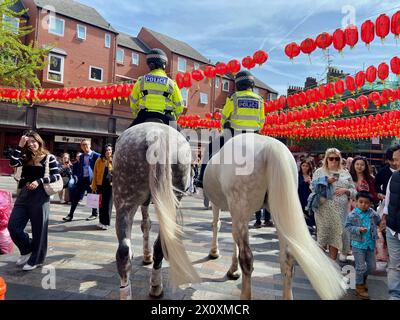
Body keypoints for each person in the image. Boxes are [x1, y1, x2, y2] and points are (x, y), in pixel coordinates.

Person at [194, 70, 265, 188]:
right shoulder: (260, 100)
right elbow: (262, 121)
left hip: (234, 133)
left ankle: (201, 179)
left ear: (238, 85)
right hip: (254, 135)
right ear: (252, 84)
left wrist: (224, 126)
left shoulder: (234, 98)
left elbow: (224, 117)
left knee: (210, 148)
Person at [8, 131, 61, 270]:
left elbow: (56, 176)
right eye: (28, 142)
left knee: (39, 229)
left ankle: (36, 259)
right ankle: (27, 249)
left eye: (33, 141)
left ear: (39, 141)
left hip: (41, 195)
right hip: (24, 194)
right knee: (13, 226)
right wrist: (19, 146)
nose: (31, 144)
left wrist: (40, 181)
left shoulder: (49, 158)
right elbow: (12, 162)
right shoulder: (25, 157)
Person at [310, 148, 356, 261]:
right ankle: (320, 265)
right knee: (323, 236)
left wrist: (346, 191)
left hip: (340, 211)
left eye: (337, 158)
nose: (334, 161)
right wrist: (326, 181)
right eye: (331, 158)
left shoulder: (345, 172)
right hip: (323, 210)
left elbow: (355, 192)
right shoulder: (319, 172)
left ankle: (332, 264)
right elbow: (312, 187)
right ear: (326, 159)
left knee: (336, 236)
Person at [129, 48, 186, 128]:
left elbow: (133, 101)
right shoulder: (171, 83)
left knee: (124, 136)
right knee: (183, 139)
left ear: (149, 64)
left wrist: (136, 114)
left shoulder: (141, 81)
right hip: (167, 117)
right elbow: (179, 105)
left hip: (143, 115)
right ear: (164, 64)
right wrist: (175, 117)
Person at [345, 191, 381, 299]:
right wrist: (357, 229)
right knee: (360, 267)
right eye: (361, 202)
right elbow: (347, 227)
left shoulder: (372, 213)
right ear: (356, 202)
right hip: (358, 244)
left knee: (371, 267)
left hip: (370, 244)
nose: (363, 205)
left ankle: (361, 278)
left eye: (366, 203)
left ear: (370, 204)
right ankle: (359, 287)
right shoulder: (352, 215)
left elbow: (379, 221)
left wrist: (382, 224)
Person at [63, 140, 100, 222]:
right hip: (82, 180)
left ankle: (94, 214)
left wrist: (97, 180)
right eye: (83, 145)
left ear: (90, 145)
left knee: (92, 197)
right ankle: (70, 215)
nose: (85, 146)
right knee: (76, 197)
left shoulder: (96, 156)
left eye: (86, 144)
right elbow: (79, 167)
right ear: (81, 146)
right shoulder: (82, 156)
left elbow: (100, 169)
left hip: (92, 180)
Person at [380, 144, 400, 300]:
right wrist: (384, 219)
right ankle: (394, 295)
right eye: (394, 160)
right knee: (394, 266)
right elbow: (388, 202)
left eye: (398, 160)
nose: (396, 163)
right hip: (393, 230)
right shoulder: (394, 177)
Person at [91, 144, 113, 230]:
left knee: (107, 205)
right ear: (104, 151)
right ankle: (101, 221)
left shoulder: (114, 161)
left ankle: (106, 223)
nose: (108, 151)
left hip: (110, 186)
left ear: (112, 151)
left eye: (110, 150)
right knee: (100, 205)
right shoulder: (99, 160)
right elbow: (95, 174)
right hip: (100, 185)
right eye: (106, 150)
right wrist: (94, 186)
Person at [298, 160, 315, 234]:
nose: (304, 167)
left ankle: (310, 227)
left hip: (309, 198)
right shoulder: (297, 175)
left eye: (306, 166)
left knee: (310, 213)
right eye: (303, 165)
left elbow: (314, 188)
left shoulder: (312, 176)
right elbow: (295, 186)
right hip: (300, 197)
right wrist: (304, 181)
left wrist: (310, 183)